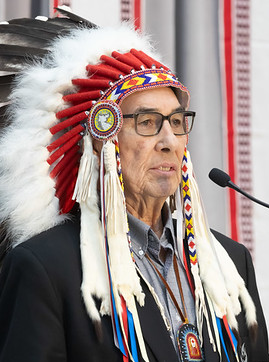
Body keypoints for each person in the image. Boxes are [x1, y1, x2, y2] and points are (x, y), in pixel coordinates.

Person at [0, 12, 268, 362]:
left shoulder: (230, 264)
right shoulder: (47, 269)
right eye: (147, 123)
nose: (169, 140)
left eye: (176, 121)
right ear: (102, 142)